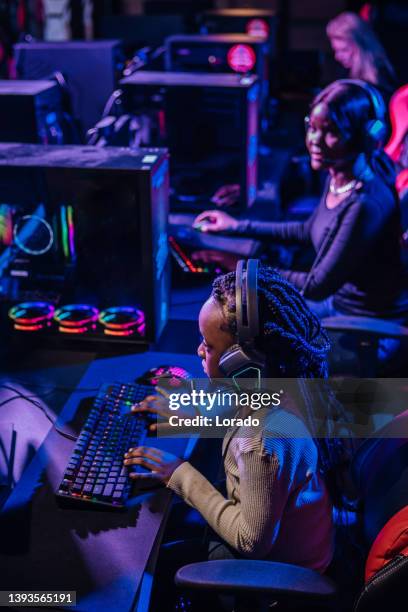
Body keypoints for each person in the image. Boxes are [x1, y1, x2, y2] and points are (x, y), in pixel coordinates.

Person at [124, 264, 348, 609]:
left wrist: (179, 475)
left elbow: (250, 541)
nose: (199, 351)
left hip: (278, 577)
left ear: (244, 367)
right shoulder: (284, 384)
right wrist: (188, 414)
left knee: (146, 566)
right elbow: (239, 404)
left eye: (208, 346)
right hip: (291, 540)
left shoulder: (266, 438)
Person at [194, 81, 408, 324]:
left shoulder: (364, 205)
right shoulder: (338, 175)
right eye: (311, 127)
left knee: (241, 322)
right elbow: (308, 230)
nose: (314, 140)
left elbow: (315, 286)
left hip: (361, 322)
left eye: (331, 131)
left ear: (364, 139)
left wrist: (241, 269)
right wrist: (235, 226)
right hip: (337, 303)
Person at [326, 11, 397, 105]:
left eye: (344, 50)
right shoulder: (344, 73)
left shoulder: (382, 80)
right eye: (335, 50)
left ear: (361, 47)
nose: (337, 57)